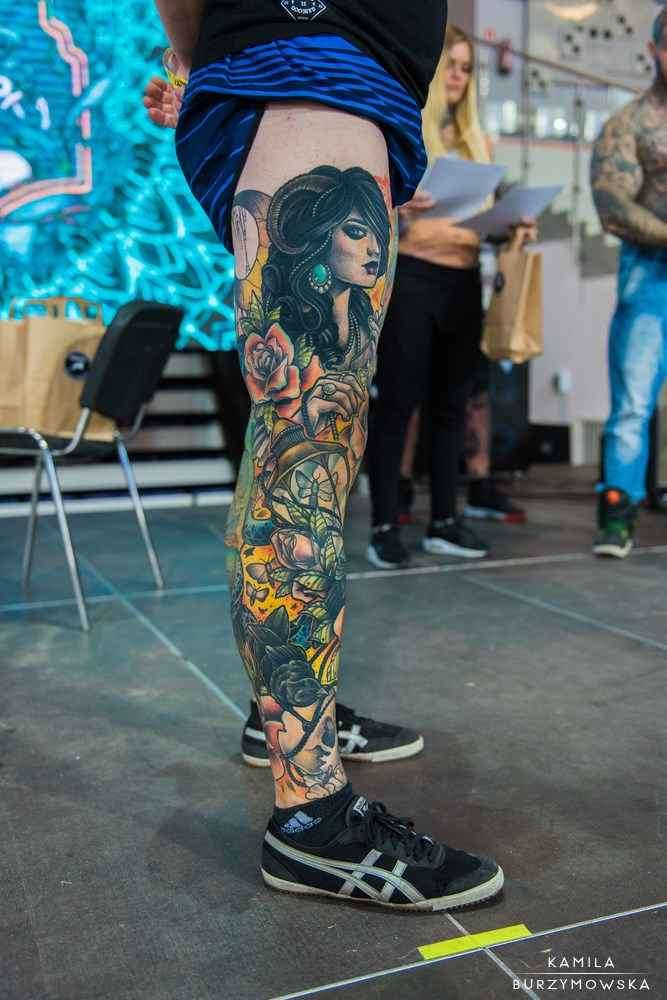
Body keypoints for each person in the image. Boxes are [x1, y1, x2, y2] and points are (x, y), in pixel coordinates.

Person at [147, 1, 503, 910]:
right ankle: (310, 820)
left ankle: (284, 714)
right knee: (300, 447)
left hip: (344, 78)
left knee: (317, 452)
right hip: (310, 62)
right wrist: (202, 54)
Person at [365, 25, 534, 569]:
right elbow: (371, 203)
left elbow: (483, 218)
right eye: (451, 66)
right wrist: (397, 203)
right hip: (413, 274)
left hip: (464, 279)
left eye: (466, 67)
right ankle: (384, 525)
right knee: (398, 402)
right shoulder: (406, 128)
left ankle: (444, 520)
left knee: (451, 406)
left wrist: (511, 225)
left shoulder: (477, 142)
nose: (459, 76)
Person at [591, 8, 667, 559]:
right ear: (654, 49)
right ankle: (617, 515)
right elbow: (612, 204)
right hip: (650, 271)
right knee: (633, 402)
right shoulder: (632, 123)